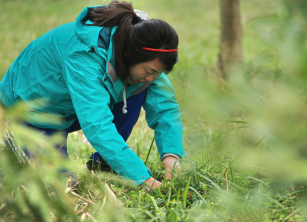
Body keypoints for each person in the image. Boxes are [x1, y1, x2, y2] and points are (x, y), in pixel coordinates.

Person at [0, 1, 185, 190]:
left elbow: (165, 108)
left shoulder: (142, 52)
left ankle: (105, 166)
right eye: (149, 70)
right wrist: (143, 179)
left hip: (70, 106)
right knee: (63, 188)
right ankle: (12, 145)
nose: (153, 77)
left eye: (158, 73)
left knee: (139, 86)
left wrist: (172, 157)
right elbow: (97, 124)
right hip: (31, 111)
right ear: (130, 54)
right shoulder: (85, 55)